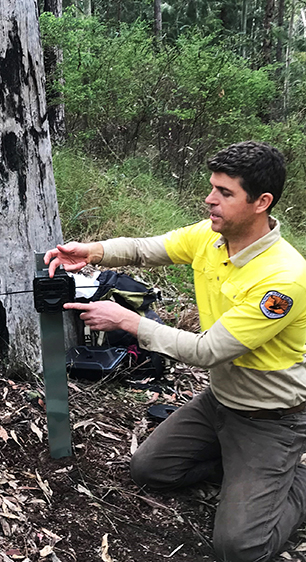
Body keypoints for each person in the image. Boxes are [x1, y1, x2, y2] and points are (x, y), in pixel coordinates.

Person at [45, 141, 306, 562]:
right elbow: (148, 249)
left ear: (262, 202)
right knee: (150, 472)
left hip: (270, 417)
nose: (210, 199)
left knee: (239, 548)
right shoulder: (211, 237)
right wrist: (91, 251)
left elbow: (208, 351)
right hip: (220, 401)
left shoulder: (284, 279)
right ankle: (246, 475)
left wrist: (129, 321)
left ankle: (294, 480)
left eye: (224, 192)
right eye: (211, 188)